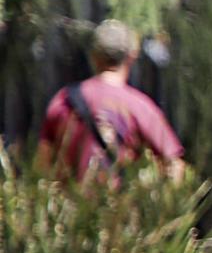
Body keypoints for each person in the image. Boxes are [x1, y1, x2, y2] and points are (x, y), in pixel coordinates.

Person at [38, 20, 185, 178]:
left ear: (94, 56)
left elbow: (42, 163)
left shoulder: (64, 100)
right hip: (118, 202)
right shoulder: (139, 106)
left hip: (70, 201)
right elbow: (174, 164)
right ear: (131, 56)